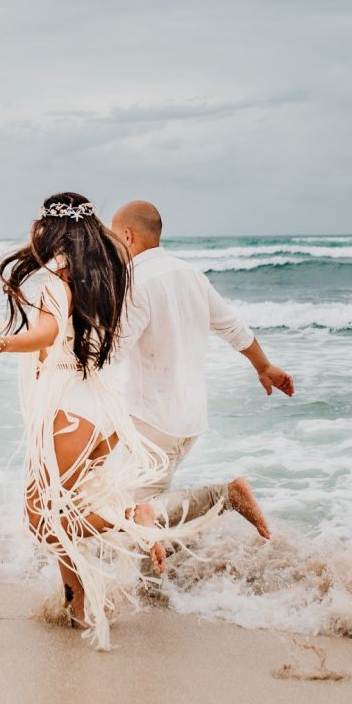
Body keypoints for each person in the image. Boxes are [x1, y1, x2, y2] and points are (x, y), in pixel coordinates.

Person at [0, 192, 221, 649]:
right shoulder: (112, 276)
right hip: (102, 409)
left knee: (42, 518)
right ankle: (76, 604)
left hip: (68, 409)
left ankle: (134, 515)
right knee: (61, 510)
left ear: (52, 230)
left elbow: (46, 333)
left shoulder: (58, 279)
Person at [110, 201, 294, 547]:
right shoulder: (190, 273)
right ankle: (161, 573)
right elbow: (232, 327)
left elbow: (112, 353)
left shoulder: (134, 284)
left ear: (128, 236)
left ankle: (224, 496)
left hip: (151, 418)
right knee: (147, 518)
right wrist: (264, 366)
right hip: (190, 417)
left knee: (134, 512)